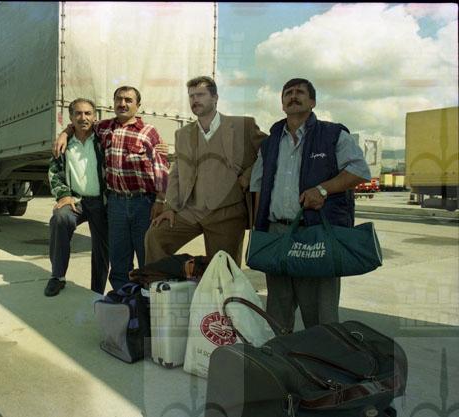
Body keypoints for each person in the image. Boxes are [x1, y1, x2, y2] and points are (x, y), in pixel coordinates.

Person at [251, 78, 371, 331]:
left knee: (319, 317)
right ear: (282, 103)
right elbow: (259, 187)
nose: (293, 96)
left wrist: (322, 189)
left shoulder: (333, 135)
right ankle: (281, 355)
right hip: (277, 234)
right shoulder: (269, 143)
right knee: (277, 314)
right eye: (288, 93)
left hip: (317, 235)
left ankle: (321, 355)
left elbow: (360, 171)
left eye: (300, 92)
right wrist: (259, 230)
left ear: (313, 101)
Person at [53, 86, 169, 291]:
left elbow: (161, 169)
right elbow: (80, 123)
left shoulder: (148, 132)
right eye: (118, 99)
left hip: (143, 203)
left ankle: (148, 299)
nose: (122, 104)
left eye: (128, 100)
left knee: (146, 254)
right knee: (119, 258)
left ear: (138, 105)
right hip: (115, 204)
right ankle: (122, 297)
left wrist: (161, 201)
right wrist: (65, 132)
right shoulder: (104, 128)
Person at [145, 76, 266, 266]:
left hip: (227, 213)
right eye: (191, 96)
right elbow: (177, 172)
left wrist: (248, 176)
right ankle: (163, 281)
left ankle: (218, 284)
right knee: (156, 236)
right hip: (190, 210)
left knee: (223, 270)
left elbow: (269, 152)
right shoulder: (182, 134)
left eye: (200, 95)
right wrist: (169, 208)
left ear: (215, 98)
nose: (195, 100)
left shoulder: (243, 126)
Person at [45, 98, 109, 296]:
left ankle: (97, 290)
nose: (83, 117)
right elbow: (54, 173)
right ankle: (57, 277)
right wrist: (64, 195)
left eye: (88, 113)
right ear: (71, 117)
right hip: (76, 201)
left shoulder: (103, 140)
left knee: (102, 247)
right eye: (78, 113)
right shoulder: (63, 145)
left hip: (101, 201)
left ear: (95, 116)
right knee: (60, 219)